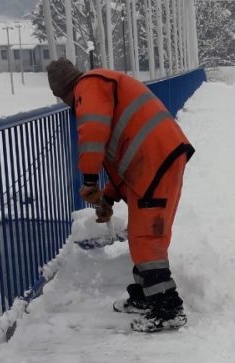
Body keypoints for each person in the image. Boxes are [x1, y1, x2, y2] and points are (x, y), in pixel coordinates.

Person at [46, 57, 194, 332]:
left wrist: (89, 180)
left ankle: (167, 308)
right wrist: (108, 196)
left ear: (64, 92)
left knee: (147, 237)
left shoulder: (89, 86)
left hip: (155, 159)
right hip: (152, 158)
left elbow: (92, 132)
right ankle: (146, 296)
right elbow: (120, 155)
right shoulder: (100, 86)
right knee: (141, 234)